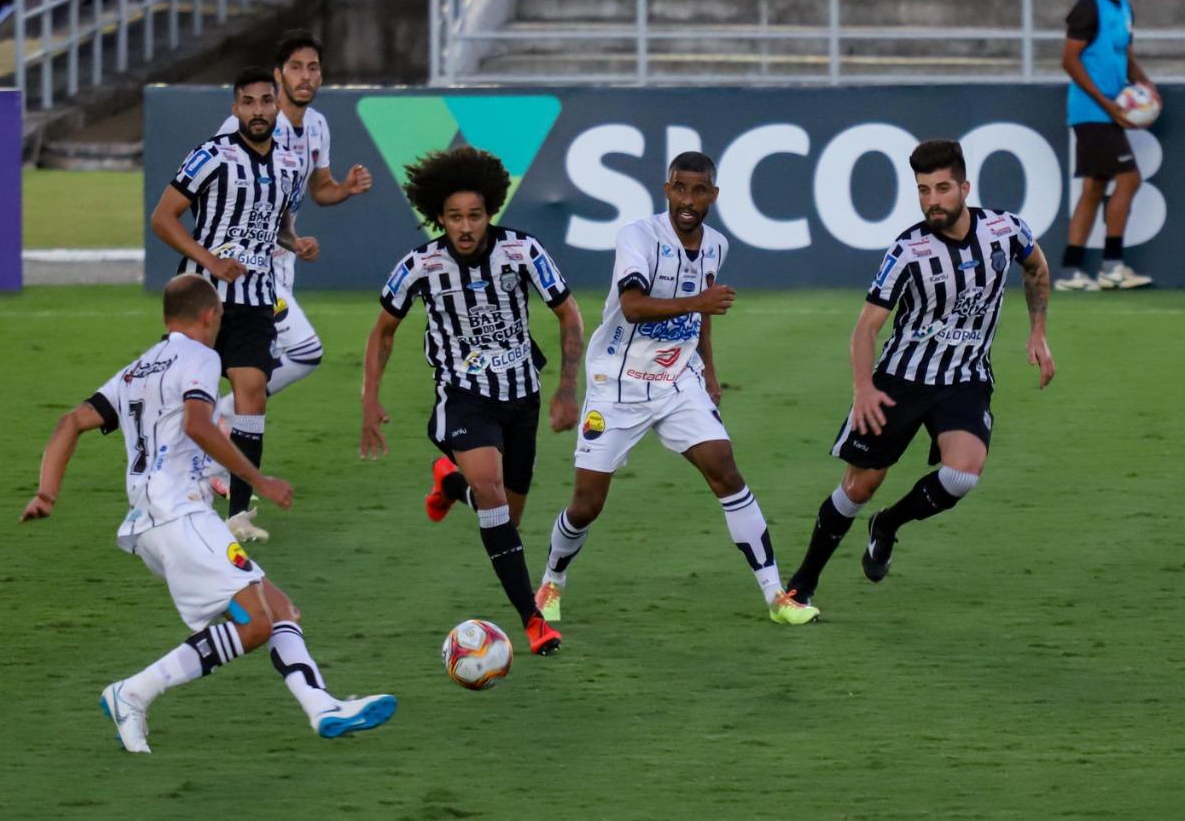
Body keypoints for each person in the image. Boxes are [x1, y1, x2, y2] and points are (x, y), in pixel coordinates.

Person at [19, 275, 395, 753]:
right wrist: (259, 482)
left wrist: (46, 494)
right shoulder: (200, 357)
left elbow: (70, 421)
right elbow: (199, 424)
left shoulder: (135, 371)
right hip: (179, 515)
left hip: (156, 520)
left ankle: (321, 706)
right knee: (256, 622)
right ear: (210, 315)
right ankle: (133, 692)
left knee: (278, 609)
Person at [532, 151, 819, 628]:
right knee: (587, 503)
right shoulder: (638, 237)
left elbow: (700, 315)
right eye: (680, 189)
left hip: (677, 381)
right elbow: (633, 306)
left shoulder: (717, 245)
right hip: (616, 384)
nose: (688, 200)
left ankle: (776, 595)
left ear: (713, 195)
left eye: (699, 190)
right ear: (667, 190)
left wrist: (708, 369)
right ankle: (551, 581)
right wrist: (700, 301)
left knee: (725, 471)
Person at [786, 140, 1056, 606]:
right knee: (859, 488)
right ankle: (803, 583)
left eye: (943, 188)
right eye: (923, 190)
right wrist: (863, 387)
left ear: (965, 188)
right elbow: (867, 326)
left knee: (962, 475)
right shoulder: (908, 252)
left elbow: (1036, 269)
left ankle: (888, 524)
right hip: (900, 381)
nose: (933, 199)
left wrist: (1038, 333)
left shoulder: (1006, 229)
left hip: (965, 377)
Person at [359, 146, 584, 656]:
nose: (465, 227)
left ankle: (449, 484)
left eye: (475, 216)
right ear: (438, 217)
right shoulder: (419, 266)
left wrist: (566, 390)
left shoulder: (523, 252)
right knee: (494, 495)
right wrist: (369, 401)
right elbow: (383, 333)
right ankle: (532, 620)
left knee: (506, 517)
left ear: (491, 214)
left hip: (522, 397)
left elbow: (569, 315)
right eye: (455, 217)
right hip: (464, 399)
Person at [150, 67, 304, 543]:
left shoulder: (290, 165)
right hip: (202, 297)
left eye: (265, 101)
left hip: (257, 297)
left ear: (277, 106)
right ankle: (164, 494)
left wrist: (297, 244)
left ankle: (237, 515)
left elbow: (273, 223)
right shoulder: (210, 156)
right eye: (248, 102)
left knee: (252, 392)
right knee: (177, 402)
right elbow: (163, 218)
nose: (258, 111)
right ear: (234, 108)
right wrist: (209, 261)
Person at [211, 30, 373, 454]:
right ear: (279, 74)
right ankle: (217, 420)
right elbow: (218, 187)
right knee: (303, 352)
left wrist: (346, 189)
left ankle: (212, 468)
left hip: (281, 262)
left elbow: (320, 189)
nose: (306, 76)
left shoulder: (317, 126)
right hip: (245, 265)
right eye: (296, 67)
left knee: (259, 368)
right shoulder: (251, 123)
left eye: (313, 68)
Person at [1056, 0, 1157, 291]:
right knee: (1129, 179)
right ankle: (1112, 265)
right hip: (1093, 110)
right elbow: (1069, 60)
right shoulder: (1089, 6)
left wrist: (1145, 82)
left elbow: (1124, 54)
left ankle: (1071, 269)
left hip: (1110, 110)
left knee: (1095, 187)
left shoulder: (1124, 7)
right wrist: (1106, 102)